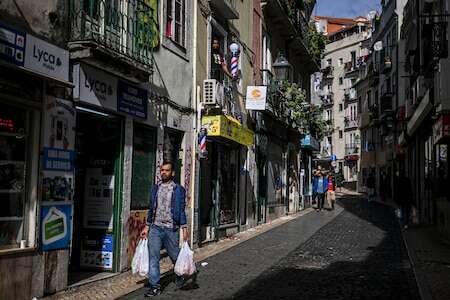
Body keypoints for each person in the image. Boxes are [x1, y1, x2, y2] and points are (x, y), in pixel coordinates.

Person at [141, 161, 189, 297]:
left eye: (167, 170)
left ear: (172, 173)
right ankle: (155, 286)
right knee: (153, 257)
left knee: (175, 255)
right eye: (162, 170)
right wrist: (147, 226)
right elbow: (151, 209)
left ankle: (179, 272)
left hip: (171, 229)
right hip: (155, 228)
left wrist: (184, 228)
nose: (163, 172)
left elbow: (181, 210)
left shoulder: (178, 190)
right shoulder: (155, 188)